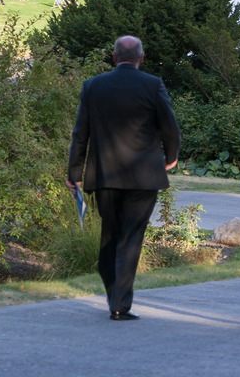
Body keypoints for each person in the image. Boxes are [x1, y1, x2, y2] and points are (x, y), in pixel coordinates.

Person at [67, 35, 180, 321]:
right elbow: (170, 125)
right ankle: (120, 303)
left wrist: (74, 172)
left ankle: (113, 293)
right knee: (130, 238)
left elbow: (81, 132)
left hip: (105, 175)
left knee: (111, 235)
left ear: (114, 57)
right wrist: (172, 156)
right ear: (141, 58)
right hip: (143, 176)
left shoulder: (93, 86)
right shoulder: (153, 85)